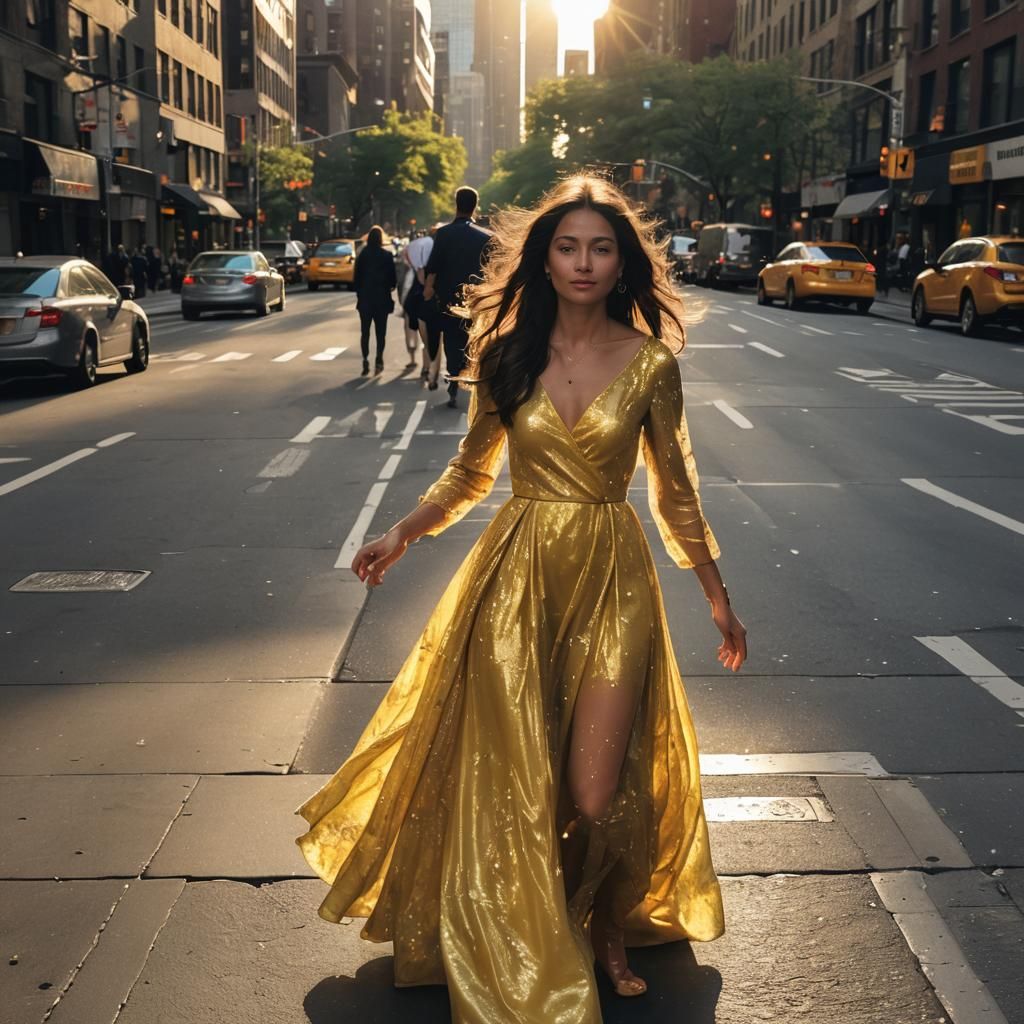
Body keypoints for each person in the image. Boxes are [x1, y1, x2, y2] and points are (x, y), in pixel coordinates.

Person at [295, 174, 746, 1020]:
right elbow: (470, 475)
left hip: (613, 577)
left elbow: (676, 492)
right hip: (515, 582)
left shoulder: (651, 364)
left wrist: (717, 597)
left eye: (601, 248)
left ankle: (604, 918)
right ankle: (544, 924)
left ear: (622, 264)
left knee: (595, 788)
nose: (584, 262)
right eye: (568, 246)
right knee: (521, 777)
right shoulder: (506, 357)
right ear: (544, 260)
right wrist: (402, 532)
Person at [423, 186, 492, 409]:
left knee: (452, 342)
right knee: (475, 341)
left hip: (449, 301)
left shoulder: (443, 234)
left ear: (456, 204)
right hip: (478, 301)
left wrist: (428, 291)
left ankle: (454, 383)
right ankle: (471, 381)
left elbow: (432, 268)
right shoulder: (486, 237)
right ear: (475, 205)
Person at [354, 225, 397, 376]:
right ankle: (379, 359)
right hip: (382, 299)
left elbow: (356, 279)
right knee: (381, 332)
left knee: (365, 332)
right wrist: (389, 287)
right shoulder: (387, 255)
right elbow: (393, 280)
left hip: (365, 299)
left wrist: (360, 293)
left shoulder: (362, 255)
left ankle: (365, 359)